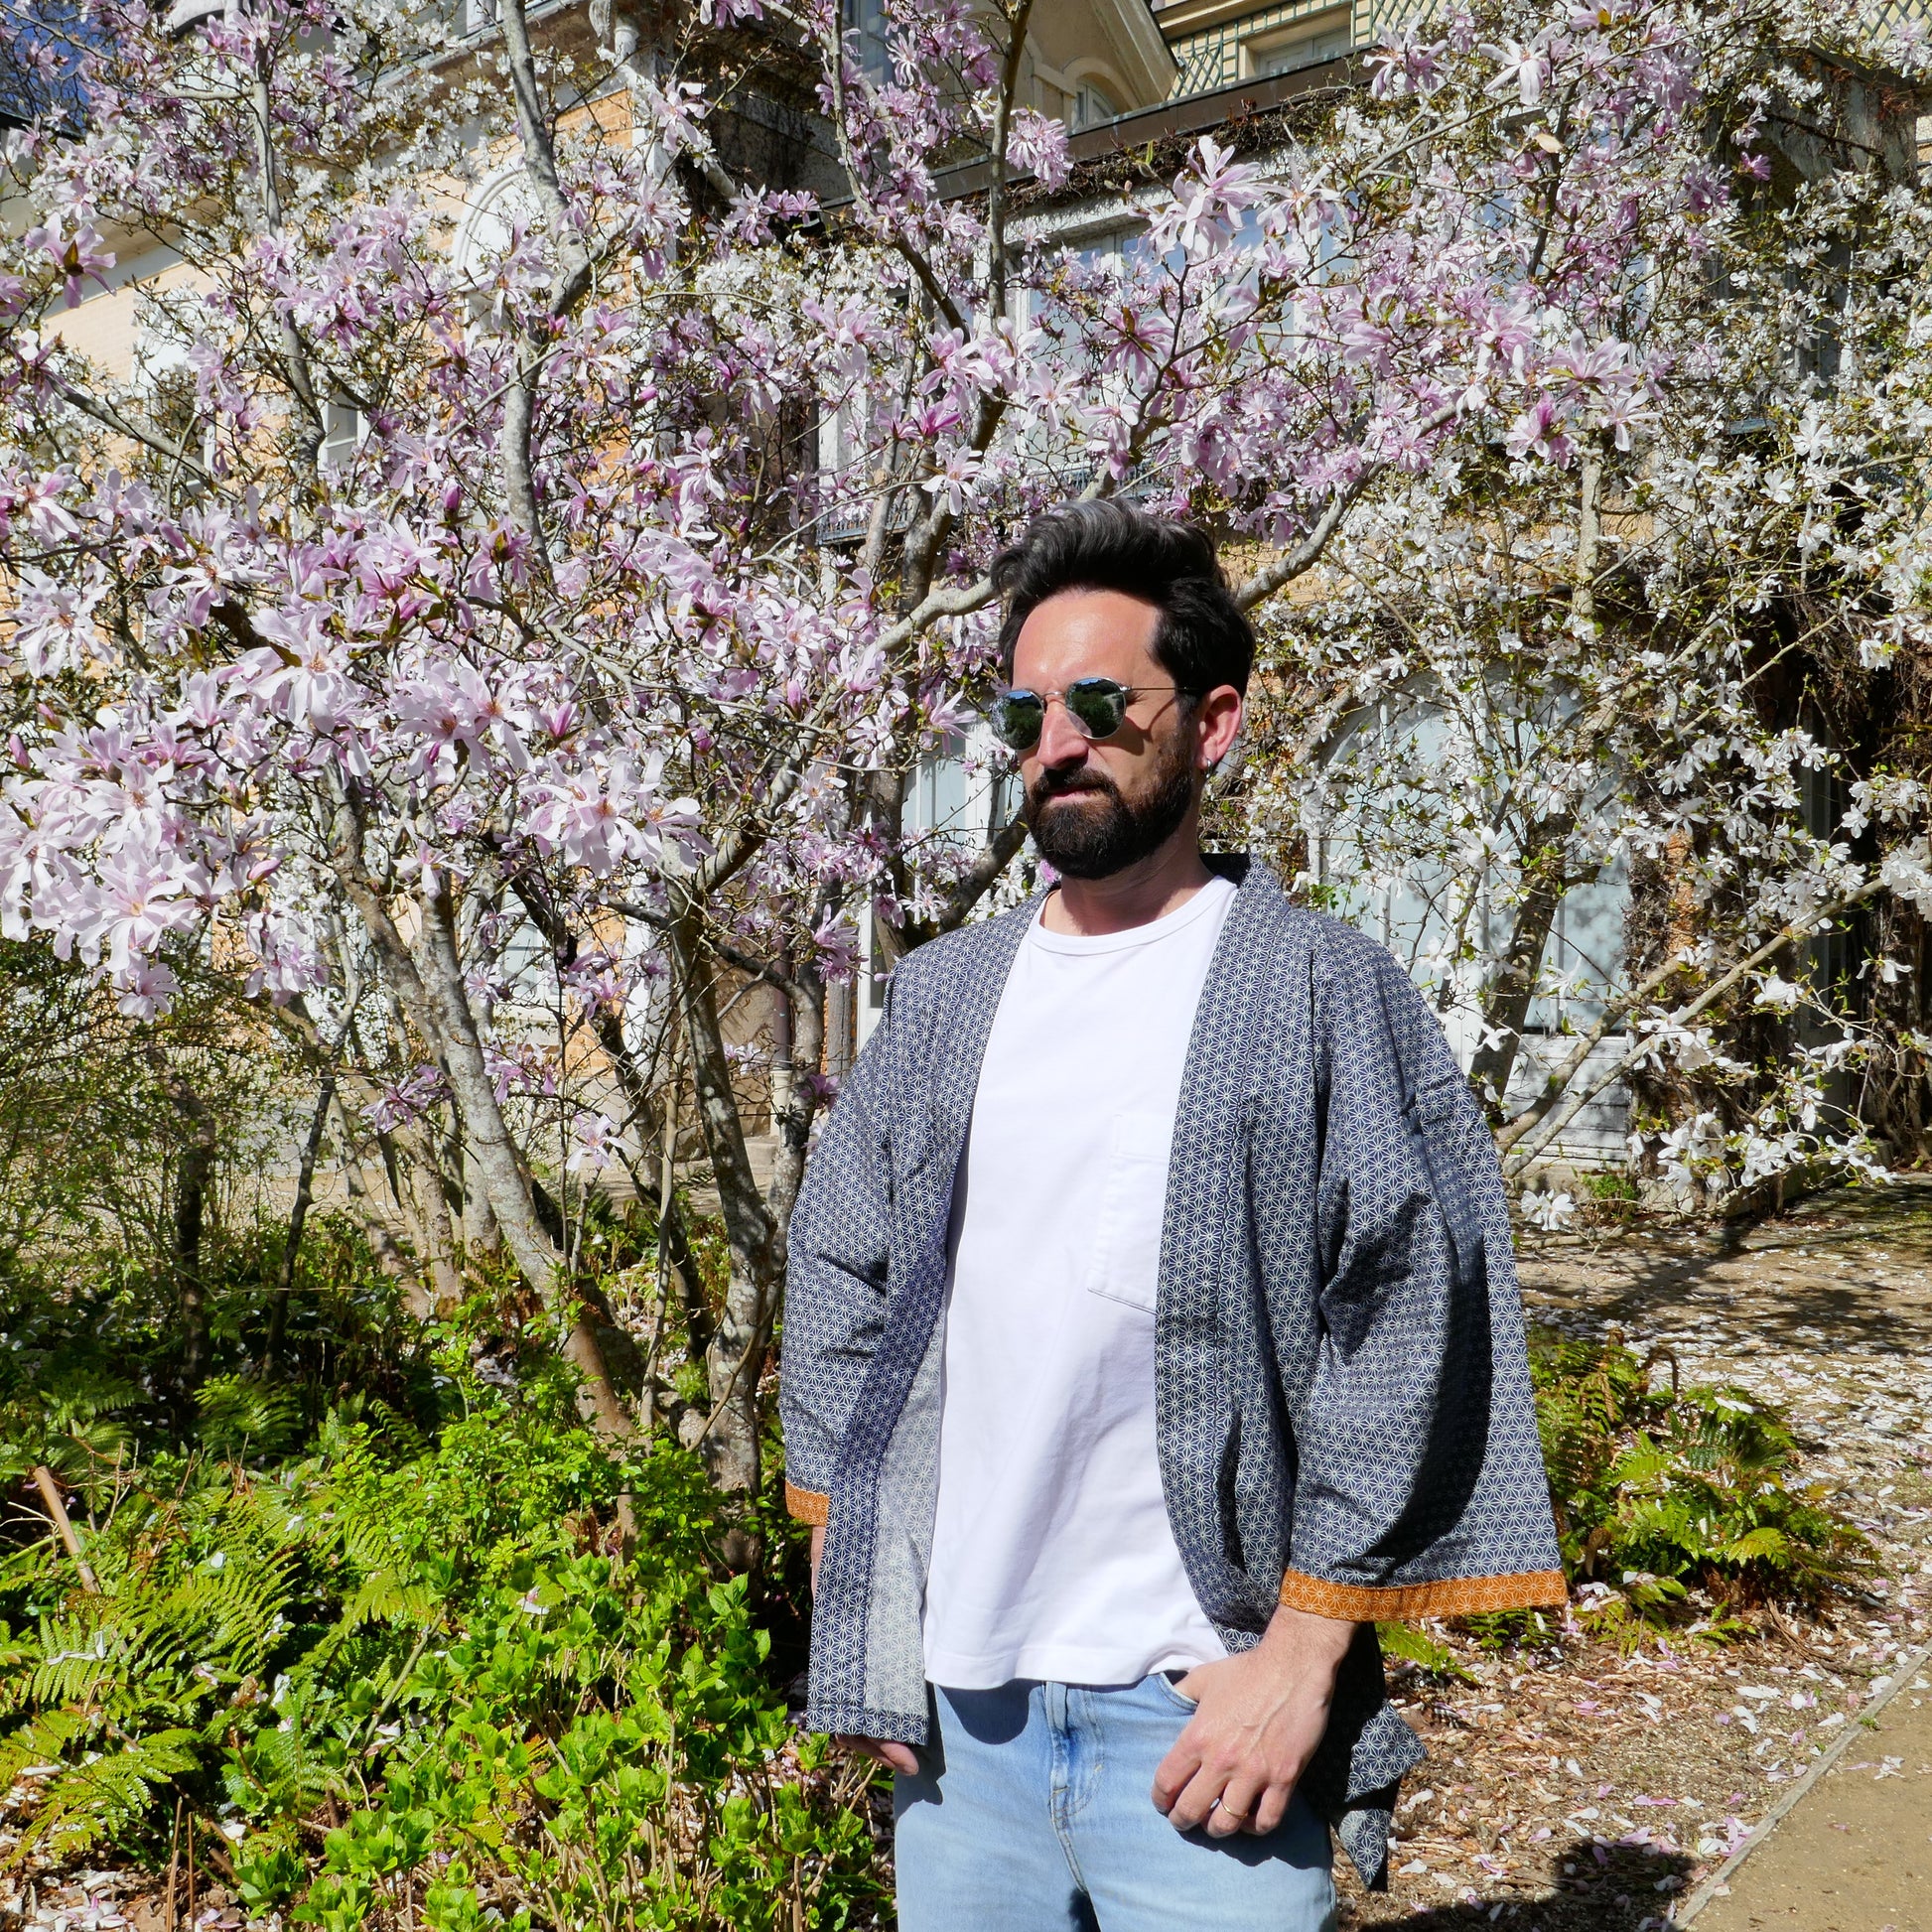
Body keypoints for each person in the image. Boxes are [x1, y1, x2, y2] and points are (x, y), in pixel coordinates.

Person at [779, 501, 1564, 1931]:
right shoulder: (947, 997)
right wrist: (858, 1594)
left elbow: (1409, 1319)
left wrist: (1300, 1661)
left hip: (1199, 1725)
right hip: (964, 1723)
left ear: (1210, 725)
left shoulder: (1322, 990)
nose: (1053, 744)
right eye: (1023, 714)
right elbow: (840, 1273)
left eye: (1096, 703)